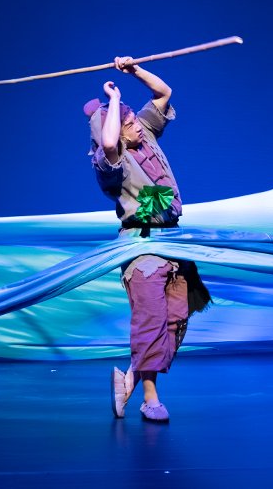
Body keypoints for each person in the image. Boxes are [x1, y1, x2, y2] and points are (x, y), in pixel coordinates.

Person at [85, 57, 210, 423]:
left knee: (177, 317)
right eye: (128, 123)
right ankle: (149, 398)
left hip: (172, 242)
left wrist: (134, 70)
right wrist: (113, 99)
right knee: (151, 320)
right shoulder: (111, 165)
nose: (136, 125)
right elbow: (109, 141)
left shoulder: (146, 135)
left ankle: (128, 380)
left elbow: (164, 92)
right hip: (142, 247)